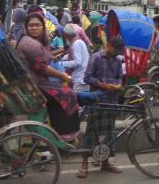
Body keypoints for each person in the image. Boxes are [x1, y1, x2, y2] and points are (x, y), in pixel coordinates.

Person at [16, 12, 80, 142]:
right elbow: (42, 67)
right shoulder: (29, 43)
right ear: (26, 27)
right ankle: (64, 133)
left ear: (42, 27)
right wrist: (63, 76)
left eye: (37, 25)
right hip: (36, 85)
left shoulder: (28, 41)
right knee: (68, 94)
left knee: (68, 93)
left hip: (34, 82)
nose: (34, 28)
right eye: (31, 25)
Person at [77, 37, 125, 178]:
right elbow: (87, 78)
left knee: (109, 133)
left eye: (119, 52)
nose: (117, 53)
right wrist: (102, 85)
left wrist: (118, 85)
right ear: (108, 45)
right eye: (115, 50)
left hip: (112, 101)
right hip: (97, 100)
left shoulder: (117, 60)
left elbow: (120, 77)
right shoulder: (96, 57)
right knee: (91, 133)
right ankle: (84, 165)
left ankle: (105, 163)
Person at [62, 24, 90, 91]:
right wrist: (62, 58)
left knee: (79, 98)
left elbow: (77, 62)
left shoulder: (76, 44)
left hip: (79, 79)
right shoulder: (80, 42)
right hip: (83, 77)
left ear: (66, 35)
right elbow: (73, 55)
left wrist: (62, 64)